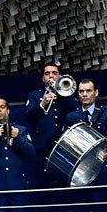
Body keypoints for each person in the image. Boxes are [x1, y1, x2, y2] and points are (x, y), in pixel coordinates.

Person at [62, 79, 107, 212]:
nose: (84, 94)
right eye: (81, 91)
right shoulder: (71, 117)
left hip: (100, 174)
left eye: (88, 91)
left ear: (96, 93)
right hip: (78, 177)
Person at [23, 62, 80, 197]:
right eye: (47, 74)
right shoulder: (35, 95)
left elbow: (77, 110)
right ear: (43, 78)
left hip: (63, 145)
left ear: (59, 76)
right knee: (42, 179)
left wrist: (64, 93)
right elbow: (28, 115)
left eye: (54, 73)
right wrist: (42, 103)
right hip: (41, 145)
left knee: (62, 178)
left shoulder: (66, 95)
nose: (51, 77)